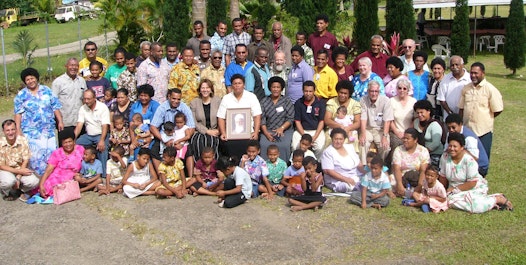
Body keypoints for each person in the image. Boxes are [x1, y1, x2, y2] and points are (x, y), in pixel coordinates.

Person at [439, 133, 513, 213]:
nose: (452, 149)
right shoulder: (445, 157)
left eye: (455, 146)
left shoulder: (469, 160)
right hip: (453, 190)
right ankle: (487, 201)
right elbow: (443, 176)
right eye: (450, 146)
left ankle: (497, 199)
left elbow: (472, 183)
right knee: (449, 200)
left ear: (462, 147)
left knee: (475, 206)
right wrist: (442, 190)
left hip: (471, 187)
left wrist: (455, 189)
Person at [14, 67, 63, 176]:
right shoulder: (21, 95)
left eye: (32, 78)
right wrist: (18, 130)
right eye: (27, 80)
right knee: (35, 157)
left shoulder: (46, 90)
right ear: (25, 82)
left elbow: (55, 107)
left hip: (48, 130)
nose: (31, 81)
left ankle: (50, 180)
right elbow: (18, 113)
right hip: (32, 133)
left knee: (50, 155)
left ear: (36, 78)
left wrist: (60, 121)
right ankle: (36, 182)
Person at [458, 62, 503, 164]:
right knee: (467, 158)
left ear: (483, 73)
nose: (473, 75)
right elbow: (461, 108)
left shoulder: (490, 89)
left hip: (483, 132)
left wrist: (486, 119)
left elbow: (498, 109)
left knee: (483, 160)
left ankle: (481, 179)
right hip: (468, 131)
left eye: (476, 73)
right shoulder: (466, 88)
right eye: (471, 73)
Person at [217, 74, 262, 159]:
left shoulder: (251, 97)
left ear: (244, 85)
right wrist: (223, 133)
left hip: (249, 133)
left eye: (239, 83)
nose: (237, 85)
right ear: (232, 85)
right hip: (231, 134)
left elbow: (257, 115)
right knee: (227, 145)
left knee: (251, 144)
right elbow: (221, 117)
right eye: (235, 83)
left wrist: (256, 132)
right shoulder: (226, 98)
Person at [149, 89, 195, 167]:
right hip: (165, 136)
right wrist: (164, 140)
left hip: (181, 137)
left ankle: (190, 176)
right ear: (169, 97)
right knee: (154, 151)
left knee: (189, 151)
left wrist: (182, 142)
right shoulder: (162, 107)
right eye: (174, 98)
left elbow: (192, 127)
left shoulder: (184, 108)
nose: (176, 101)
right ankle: (160, 175)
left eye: (178, 99)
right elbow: (153, 127)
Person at [0, 119, 39, 201]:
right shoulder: (1, 143)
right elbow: (1, 166)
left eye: (12, 129)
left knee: (34, 181)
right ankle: (7, 191)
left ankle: (20, 190)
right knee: (9, 181)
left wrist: (19, 176)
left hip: (20, 169)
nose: (10, 132)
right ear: (3, 131)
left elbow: (26, 159)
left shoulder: (22, 140)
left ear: (16, 130)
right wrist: (19, 172)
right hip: (6, 171)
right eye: (7, 130)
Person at [75, 89, 111, 177]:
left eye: (88, 99)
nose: (86, 101)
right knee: (76, 145)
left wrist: (102, 140)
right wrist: (73, 139)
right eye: (85, 99)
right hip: (89, 135)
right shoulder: (83, 108)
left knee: (102, 148)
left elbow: (105, 125)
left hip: (101, 134)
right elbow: (79, 125)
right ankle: (80, 170)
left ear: (94, 98)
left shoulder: (103, 107)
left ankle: (103, 174)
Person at [38, 130, 84, 198]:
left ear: (74, 141)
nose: (68, 144)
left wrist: (82, 174)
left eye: (70, 141)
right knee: (46, 187)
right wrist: (41, 184)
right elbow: (49, 170)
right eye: (65, 143)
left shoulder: (80, 149)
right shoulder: (57, 152)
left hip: (72, 176)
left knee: (61, 188)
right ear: (61, 144)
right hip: (57, 174)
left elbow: (86, 163)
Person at [259, 76, 294, 161]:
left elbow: (290, 118)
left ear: (281, 89)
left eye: (278, 87)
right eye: (273, 87)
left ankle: (284, 167)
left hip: (284, 130)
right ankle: (266, 168)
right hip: (268, 130)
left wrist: (281, 128)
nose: (275, 89)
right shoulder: (264, 101)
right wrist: (266, 133)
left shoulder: (286, 101)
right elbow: (262, 119)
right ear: (270, 88)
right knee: (263, 145)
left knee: (284, 145)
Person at [359, 80, 393, 164]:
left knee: (385, 147)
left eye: (376, 91)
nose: (374, 94)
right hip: (368, 129)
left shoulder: (386, 101)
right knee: (362, 144)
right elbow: (363, 118)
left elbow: (387, 120)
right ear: (368, 91)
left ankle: (379, 164)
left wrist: (384, 136)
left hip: (380, 130)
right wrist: (363, 134)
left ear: (379, 91)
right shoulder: (363, 100)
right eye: (371, 91)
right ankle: (364, 166)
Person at [52, 58, 87, 136]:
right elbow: (53, 103)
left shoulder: (82, 81)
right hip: (65, 122)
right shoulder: (58, 82)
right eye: (71, 65)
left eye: (76, 65)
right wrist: (59, 121)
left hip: (79, 121)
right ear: (66, 66)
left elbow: (85, 99)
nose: (73, 68)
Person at [391, 128, 430, 197]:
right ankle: (403, 191)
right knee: (390, 180)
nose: (405, 140)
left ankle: (411, 192)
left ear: (415, 140)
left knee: (427, 183)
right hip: (402, 177)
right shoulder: (398, 150)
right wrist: (399, 184)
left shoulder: (423, 150)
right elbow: (396, 168)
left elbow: (423, 170)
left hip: (417, 178)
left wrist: (419, 186)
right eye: (404, 138)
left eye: (408, 139)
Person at [321, 128, 363, 193]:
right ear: (332, 138)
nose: (338, 141)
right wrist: (346, 179)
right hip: (338, 180)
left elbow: (359, 163)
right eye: (336, 139)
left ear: (344, 139)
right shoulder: (327, 152)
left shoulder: (349, 147)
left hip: (355, 175)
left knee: (370, 179)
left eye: (341, 139)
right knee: (349, 186)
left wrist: (367, 173)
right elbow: (329, 171)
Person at [189, 79, 221, 161]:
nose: (205, 90)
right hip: (199, 131)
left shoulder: (218, 101)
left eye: (207, 88)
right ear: (199, 90)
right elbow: (194, 121)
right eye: (203, 88)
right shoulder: (194, 102)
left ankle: (214, 167)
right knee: (199, 141)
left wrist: (219, 130)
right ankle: (200, 166)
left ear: (211, 89)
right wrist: (207, 131)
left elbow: (222, 118)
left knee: (213, 141)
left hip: (215, 130)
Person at [292, 81, 326, 158]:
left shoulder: (320, 103)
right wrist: (305, 137)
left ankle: (316, 164)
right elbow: (297, 121)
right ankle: (298, 163)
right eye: (306, 91)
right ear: (302, 91)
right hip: (301, 131)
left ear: (314, 91)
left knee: (320, 147)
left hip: (316, 131)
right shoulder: (298, 103)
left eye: (310, 91)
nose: (308, 93)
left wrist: (314, 137)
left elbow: (321, 121)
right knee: (295, 146)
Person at [324, 80, 361, 148]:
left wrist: (348, 128)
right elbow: (327, 120)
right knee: (329, 140)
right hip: (333, 129)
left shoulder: (355, 104)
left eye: (345, 93)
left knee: (353, 141)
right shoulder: (331, 102)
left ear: (349, 94)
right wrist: (340, 126)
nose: (342, 95)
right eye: (341, 93)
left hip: (350, 130)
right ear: (337, 92)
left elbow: (357, 122)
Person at [413, 100, 444, 167]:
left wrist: (423, 153)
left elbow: (436, 143)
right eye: (418, 113)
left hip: (434, 154)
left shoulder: (435, 125)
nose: (419, 115)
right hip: (419, 153)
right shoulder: (416, 122)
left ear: (428, 111)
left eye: (422, 112)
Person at [389, 79, 417, 151]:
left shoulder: (413, 101)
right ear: (397, 89)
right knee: (396, 145)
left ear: (408, 90)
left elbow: (415, 119)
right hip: (395, 132)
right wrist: (397, 132)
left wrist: (407, 132)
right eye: (399, 88)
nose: (402, 90)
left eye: (404, 88)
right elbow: (390, 120)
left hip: (410, 132)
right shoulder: (391, 101)